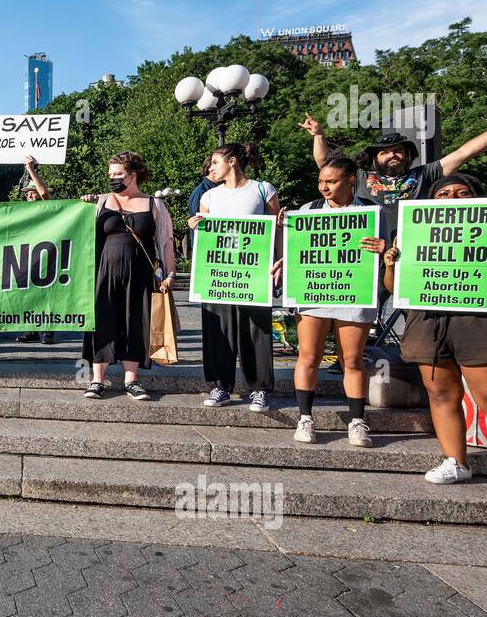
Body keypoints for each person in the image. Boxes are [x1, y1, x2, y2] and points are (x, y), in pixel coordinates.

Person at [382, 173, 487, 501]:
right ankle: (456, 460)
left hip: (480, 321)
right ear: (432, 201)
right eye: (444, 194)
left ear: (476, 198)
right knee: (441, 394)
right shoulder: (411, 233)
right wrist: (390, 264)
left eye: (462, 192)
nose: (453, 198)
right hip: (428, 322)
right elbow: (393, 288)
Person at [274, 157, 387, 447]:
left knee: (352, 360)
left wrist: (384, 248)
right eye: (321, 181)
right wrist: (284, 244)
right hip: (314, 291)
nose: (324, 187)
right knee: (308, 356)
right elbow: (299, 248)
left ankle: (358, 422)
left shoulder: (372, 212)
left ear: (351, 180)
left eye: (332, 181)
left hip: (353, 291)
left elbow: (387, 253)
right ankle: (305, 418)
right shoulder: (307, 211)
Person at [304, 104, 487, 236]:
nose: (392, 155)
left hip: (414, 252)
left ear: (408, 155)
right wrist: (318, 136)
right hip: (372, 252)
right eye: (385, 152)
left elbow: (465, 152)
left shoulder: (425, 174)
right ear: (375, 158)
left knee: (417, 319)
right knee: (370, 320)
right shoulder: (362, 178)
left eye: (398, 151)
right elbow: (326, 165)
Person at [189, 141, 279, 412]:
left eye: (215, 162)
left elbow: (278, 228)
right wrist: (196, 226)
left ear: (232, 161)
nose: (210, 168)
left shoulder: (263, 189)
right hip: (218, 273)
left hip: (253, 273)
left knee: (256, 331)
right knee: (218, 330)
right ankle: (220, 386)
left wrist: (280, 261)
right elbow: (205, 236)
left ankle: (259, 388)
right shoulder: (209, 197)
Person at [78, 151, 175, 400]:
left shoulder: (155, 204)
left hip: (140, 272)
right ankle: (97, 380)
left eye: (118, 174)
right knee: (102, 319)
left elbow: (165, 242)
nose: (112, 178)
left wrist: (170, 273)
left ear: (133, 175)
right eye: (110, 174)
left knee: (135, 321)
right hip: (105, 271)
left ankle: (131, 380)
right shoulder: (100, 203)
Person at [17, 157, 56, 345]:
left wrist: (30, 169)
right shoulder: (24, 211)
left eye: (32, 192)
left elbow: (43, 192)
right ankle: (32, 329)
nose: (30, 195)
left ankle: (47, 330)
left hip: (46, 253)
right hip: (27, 254)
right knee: (29, 292)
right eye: (28, 193)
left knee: (46, 292)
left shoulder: (47, 206)